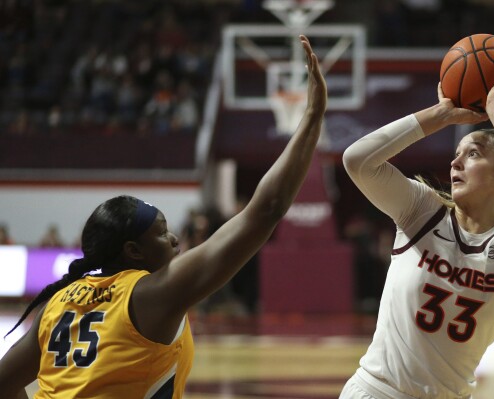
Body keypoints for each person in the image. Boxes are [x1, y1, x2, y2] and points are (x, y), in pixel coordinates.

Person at [0, 35, 326, 399]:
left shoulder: (55, 303)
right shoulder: (151, 294)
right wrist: (312, 117)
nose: (172, 240)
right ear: (133, 251)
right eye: (161, 233)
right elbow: (266, 210)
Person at [341, 55, 494, 399]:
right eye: (456, 152)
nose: (455, 162)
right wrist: (437, 117)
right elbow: (357, 162)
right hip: (378, 391)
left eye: (473, 153)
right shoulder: (422, 211)